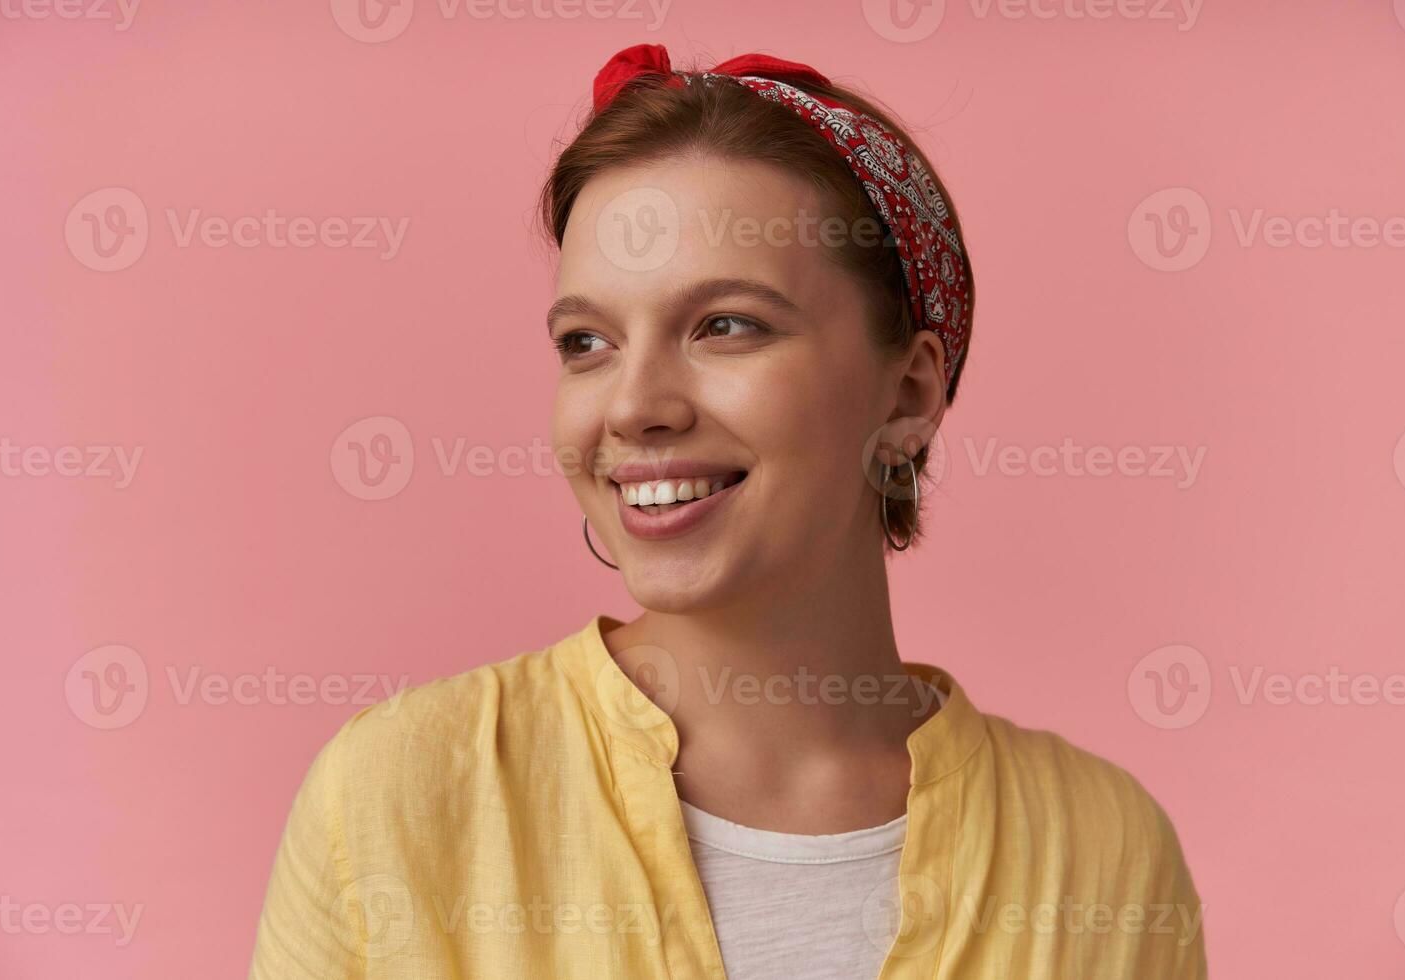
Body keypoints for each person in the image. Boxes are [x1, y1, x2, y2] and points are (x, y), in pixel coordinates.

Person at [248, 43, 1207, 979]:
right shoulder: (397, 797)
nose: (632, 405)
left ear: (908, 396)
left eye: (726, 326)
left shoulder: (1104, 854)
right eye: (587, 341)